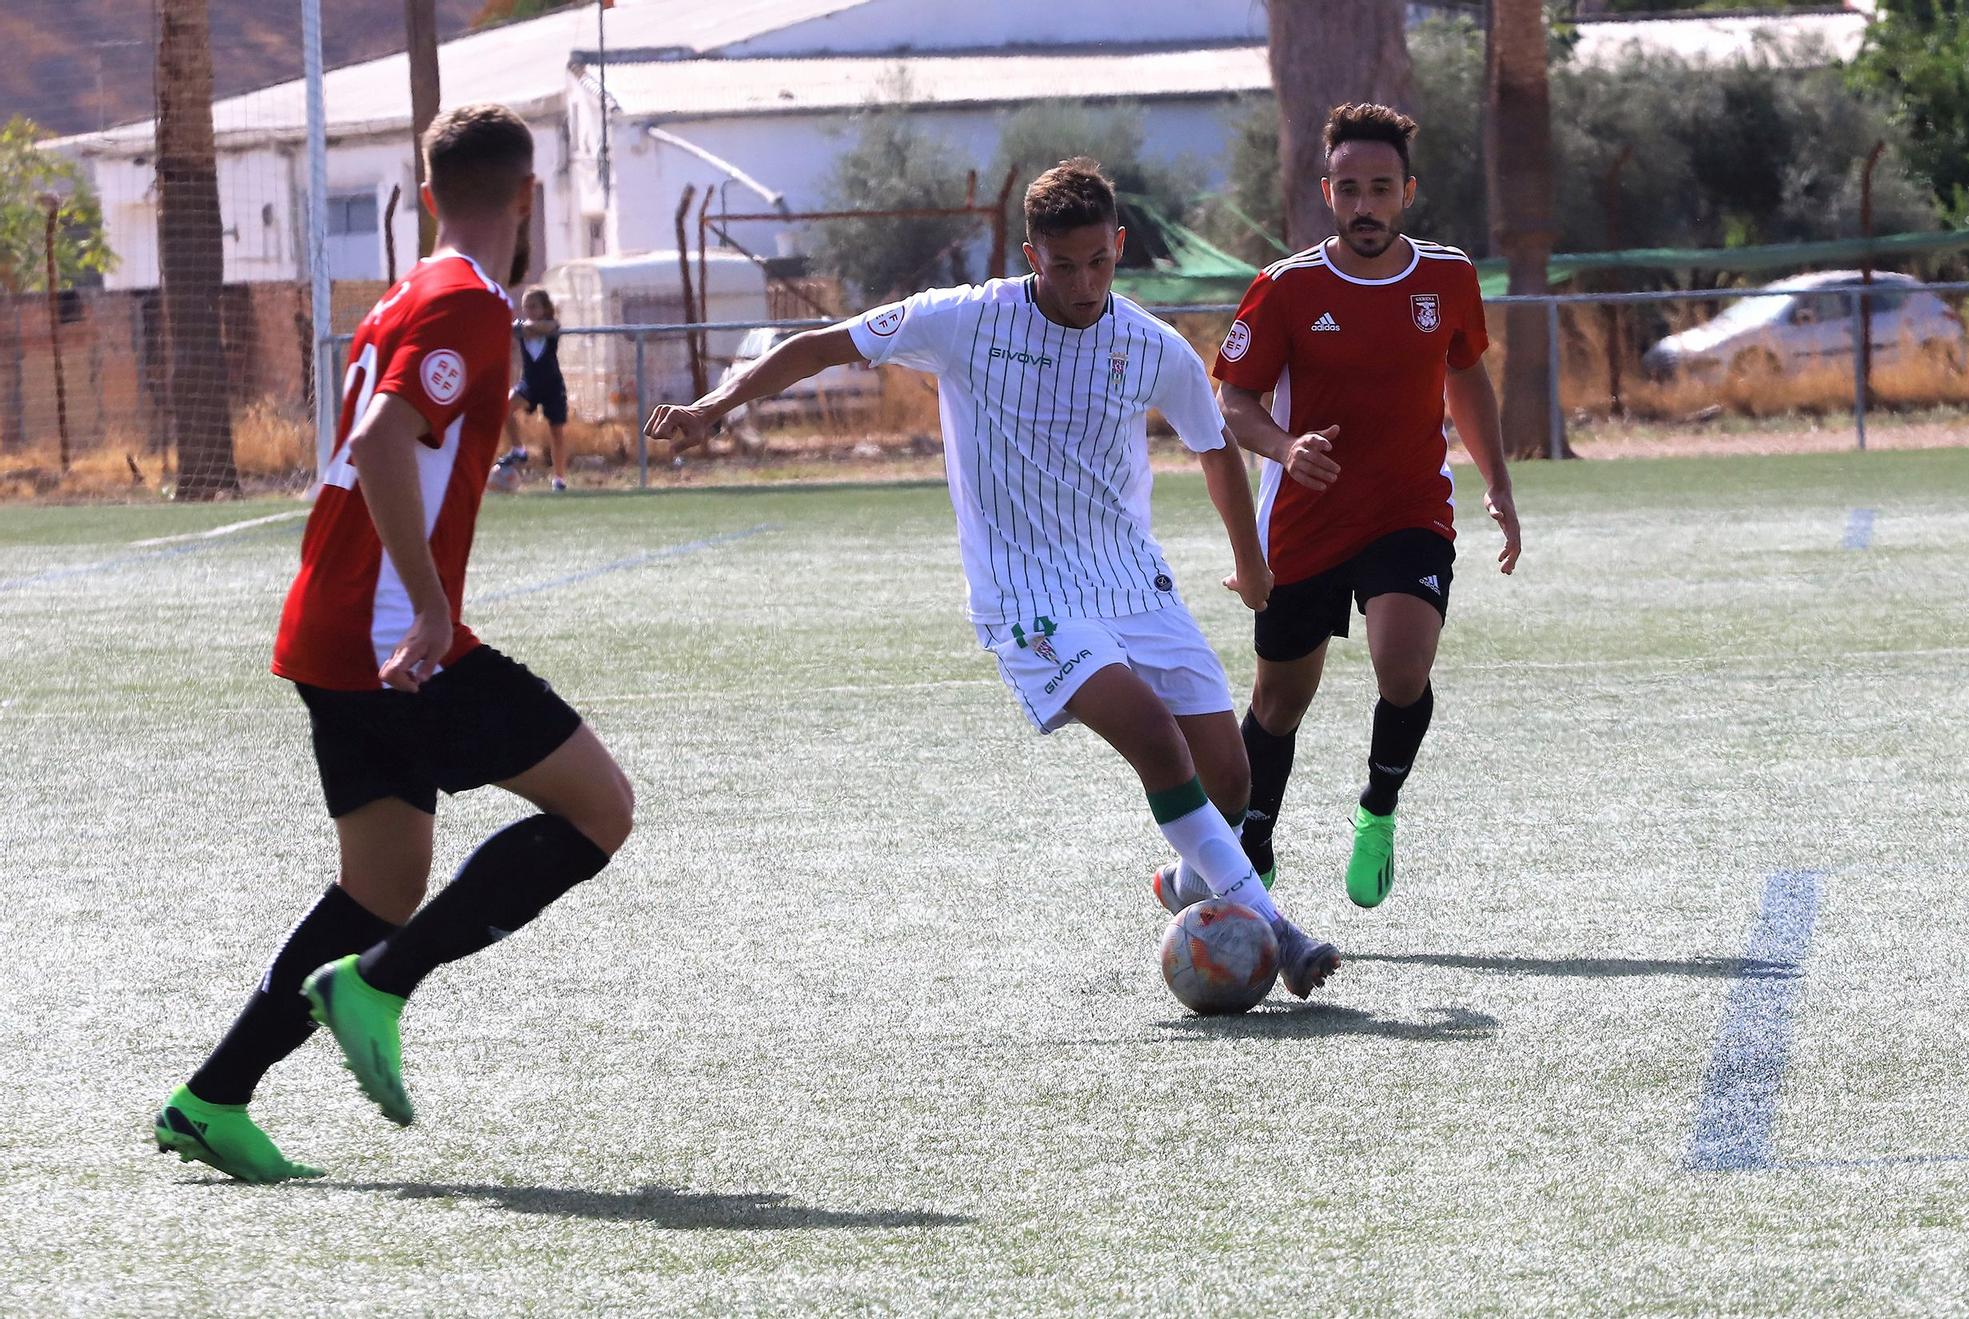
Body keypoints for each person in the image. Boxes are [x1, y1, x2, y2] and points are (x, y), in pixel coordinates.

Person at [645, 158, 1340, 997]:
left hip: (1133, 581)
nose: (1083, 283)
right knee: (1155, 738)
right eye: (1062, 266)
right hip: (1028, 595)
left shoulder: (1152, 346)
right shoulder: (964, 321)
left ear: (1119, 246)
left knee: (1229, 777)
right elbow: (818, 345)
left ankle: (1193, 883)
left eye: (1098, 262)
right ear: (1029, 256)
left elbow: (1214, 448)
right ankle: (1276, 926)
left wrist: (1251, 565)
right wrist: (711, 407)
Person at [153, 104, 633, 1183]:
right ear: (528, 197)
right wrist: (424, 607)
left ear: (425, 195)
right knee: (600, 808)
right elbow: (378, 442)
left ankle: (211, 1095)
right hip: (385, 633)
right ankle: (379, 981)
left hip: (326, 624)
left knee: (380, 880)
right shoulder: (468, 303)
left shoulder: (407, 293)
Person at [1200, 102, 1521, 911]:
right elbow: (1232, 402)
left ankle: (1377, 811)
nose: (1365, 205)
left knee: (1403, 668)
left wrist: (1500, 483)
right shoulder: (1286, 287)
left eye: (1381, 188)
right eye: (1349, 190)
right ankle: (1255, 841)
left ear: (1407, 190)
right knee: (1279, 704)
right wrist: (1285, 448)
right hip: (1305, 523)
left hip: (1409, 509)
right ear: (1327, 194)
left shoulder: (1446, 276)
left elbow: (1467, 376)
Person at [495, 286, 570, 491]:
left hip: (552, 385)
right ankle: (519, 450)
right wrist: (520, 328)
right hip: (529, 383)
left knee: (556, 431)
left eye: (534, 306)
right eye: (526, 307)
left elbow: (549, 328)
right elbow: (513, 329)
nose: (529, 310)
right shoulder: (521, 328)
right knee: (504, 407)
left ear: (545, 308)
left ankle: (560, 480)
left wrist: (525, 328)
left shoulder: (551, 326)